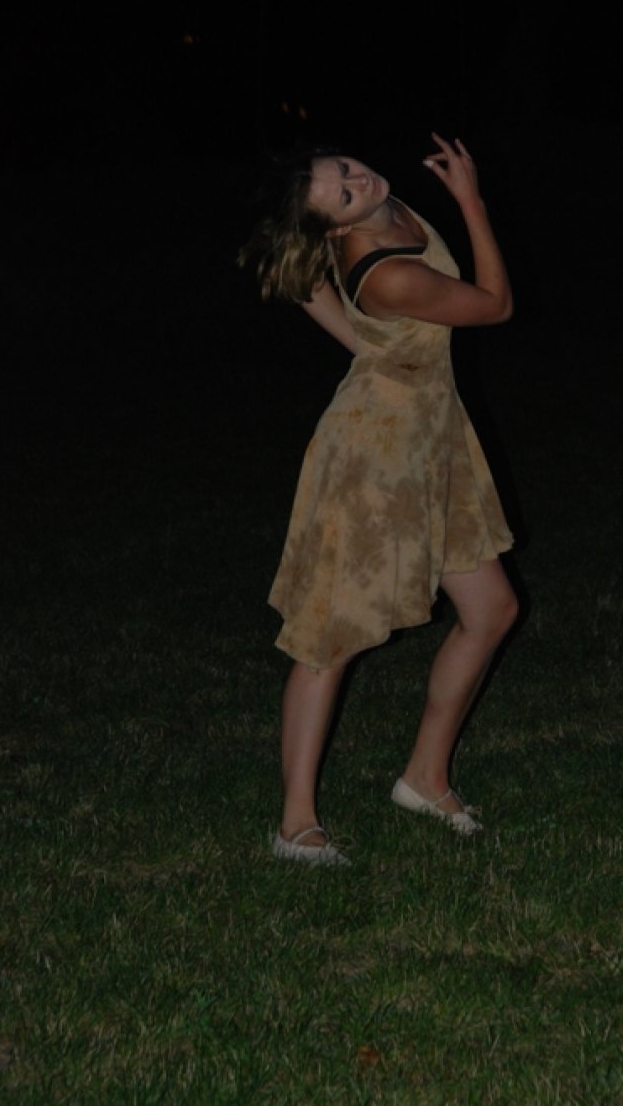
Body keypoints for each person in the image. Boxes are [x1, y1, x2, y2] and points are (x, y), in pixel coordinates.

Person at [240, 133, 518, 865]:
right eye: (343, 194)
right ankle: (295, 826)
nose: (359, 181)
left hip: (432, 437)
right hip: (372, 456)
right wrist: (471, 201)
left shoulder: (381, 211)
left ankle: (425, 779)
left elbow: (303, 276)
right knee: (329, 636)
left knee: (492, 610)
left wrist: (363, 345)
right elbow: (494, 306)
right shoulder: (386, 274)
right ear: (336, 228)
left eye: (346, 169)